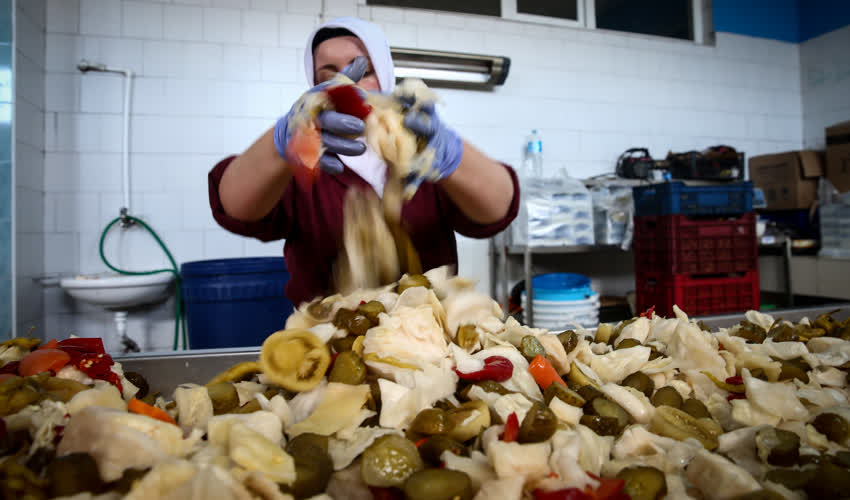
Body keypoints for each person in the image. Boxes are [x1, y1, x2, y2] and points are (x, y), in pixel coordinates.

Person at [208, 17, 519, 306]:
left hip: (428, 334)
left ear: (385, 73)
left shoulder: (423, 149)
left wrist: (451, 156)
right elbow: (235, 207)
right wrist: (283, 144)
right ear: (314, 88)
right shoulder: (301, 162)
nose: (348, 85)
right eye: (329, 76)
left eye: (364, 71)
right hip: (324, 337)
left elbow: (498, 208)